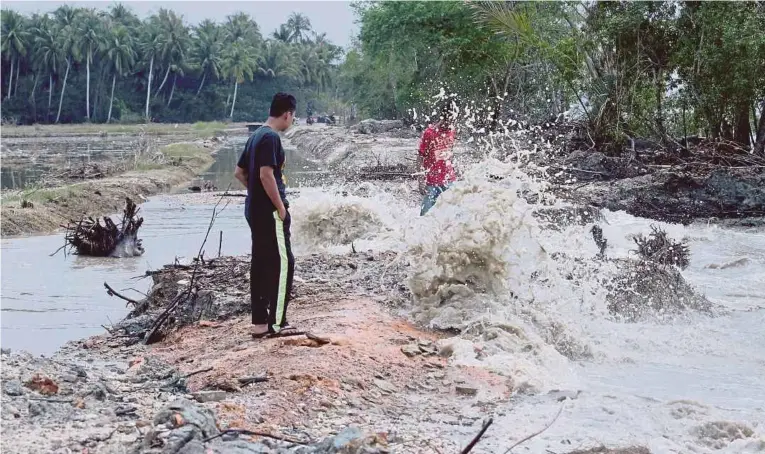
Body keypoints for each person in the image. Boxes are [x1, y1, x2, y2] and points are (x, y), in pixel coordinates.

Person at [234, 93, 296, 338]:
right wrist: (280, 207)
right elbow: (265, 175)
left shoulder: (255, 135)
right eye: (293, 117)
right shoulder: (270, 137)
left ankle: (260, 324)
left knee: (260, 263)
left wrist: (256, 195)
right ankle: (278, 323)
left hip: (253, 209)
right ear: (287, 114)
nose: (292, 121)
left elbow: (239, 172)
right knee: (284, 263)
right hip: (270, 212)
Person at [418, 105, 457, 215]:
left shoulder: (452, 131)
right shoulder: (429, 133)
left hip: (450, 180)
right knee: (425, 215)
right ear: (443, 118)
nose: (451, 124)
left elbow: (450, 153)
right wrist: (421, 180)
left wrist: (454, 169)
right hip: (432, 181)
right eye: (449, 120)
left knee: (450, 214)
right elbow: (420, 157)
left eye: (453, 121)